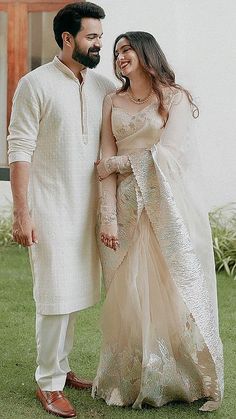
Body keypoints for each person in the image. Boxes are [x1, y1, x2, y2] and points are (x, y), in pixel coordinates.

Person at [92, 31, 224, 412]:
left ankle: (192, 378)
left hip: (165, 209)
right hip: (125, 209)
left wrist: (119, 163)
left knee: (173, 293)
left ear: (146, 52)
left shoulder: (173, 98)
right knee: (129, 298)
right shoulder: (111, 101)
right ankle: (134, 379)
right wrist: (109, 218)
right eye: (116, 52)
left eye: (126, 49)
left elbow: (171, 155)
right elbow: (103, 162)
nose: (119, 56)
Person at [7, 2, 114, 418]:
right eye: (92, 37)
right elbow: (19, 150)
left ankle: (62, 367)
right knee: (54, 296)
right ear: (67, 39)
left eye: (101, 37)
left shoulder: (104, 85)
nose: (98, 44)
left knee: (75, 294)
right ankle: (48, 384)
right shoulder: (34, 84)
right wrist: (22, 213)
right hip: (49, 207)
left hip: (89, 210)